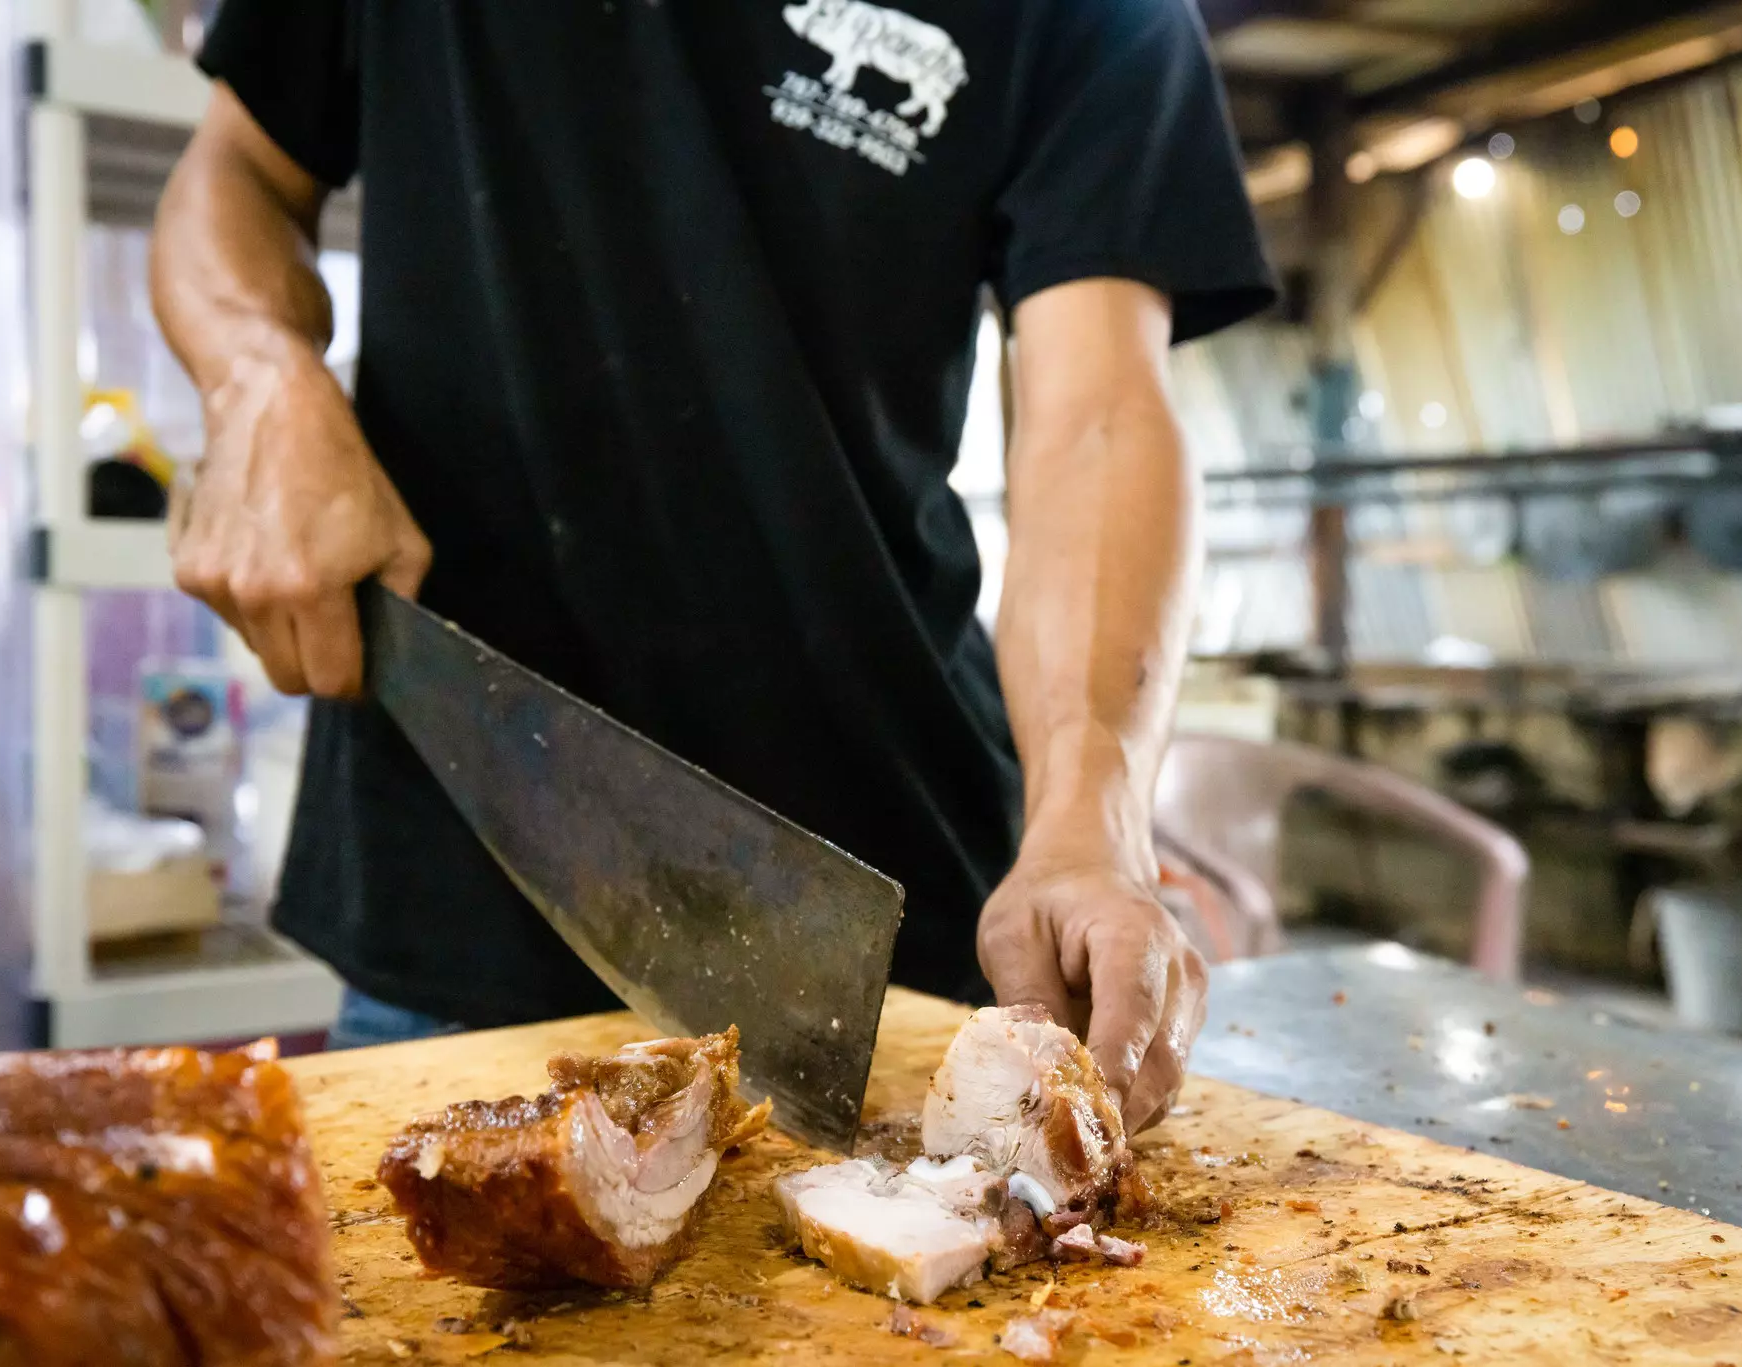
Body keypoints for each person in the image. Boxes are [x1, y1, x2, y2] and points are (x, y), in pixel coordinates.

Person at [152, 0, 1273, 1132]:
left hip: (883, 951)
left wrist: (1087, 821)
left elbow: (1098, 412)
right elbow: (238, 171)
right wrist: (257, 380)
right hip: (459, 886)